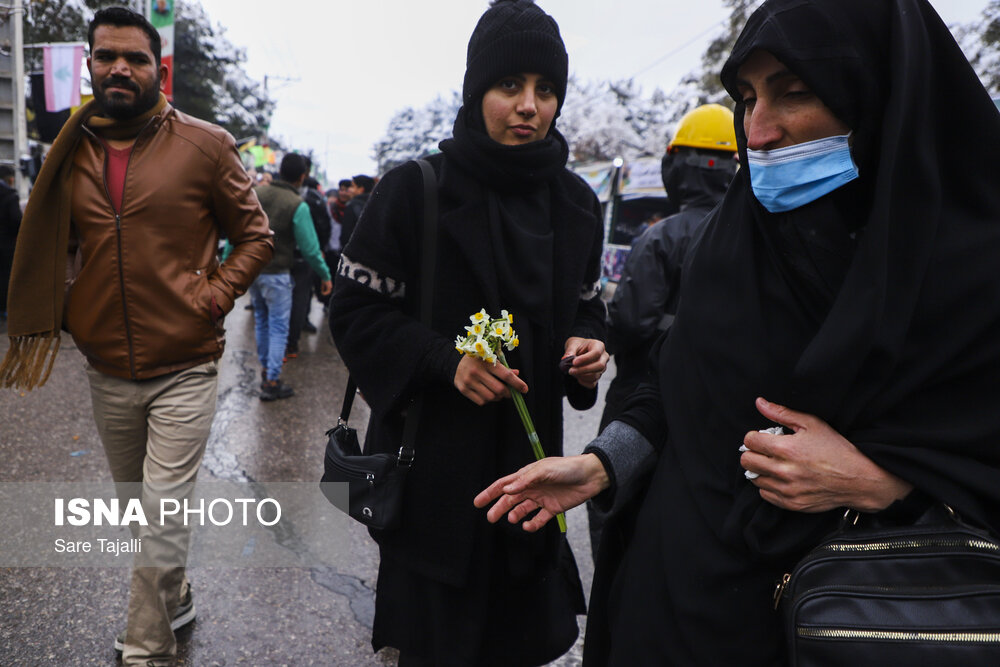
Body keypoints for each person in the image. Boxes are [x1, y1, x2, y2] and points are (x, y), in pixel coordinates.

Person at [475, 0, 1000, 664]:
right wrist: (605, 462)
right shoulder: (735, 248)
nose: (759, 129)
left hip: (876, 626)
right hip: (680, 616)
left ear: (881, 91)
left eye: (795, 92)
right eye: (748, 98)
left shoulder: (972, 276)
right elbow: (678, 388)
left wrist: (890, 485)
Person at [329, 1, 608, 664]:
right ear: (475, 90)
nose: (529, 106)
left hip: (532, 480)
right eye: (509, 85)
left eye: (546, 90)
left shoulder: (575, 205)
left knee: (517, 644)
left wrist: (587, 346)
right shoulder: (414, 191)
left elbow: (586, 305)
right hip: (434, 486)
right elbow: (354, 313)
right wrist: (441, 359)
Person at [0, 7, 273, 666]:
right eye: (106, 56)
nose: (119, 67)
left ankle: (145, 646)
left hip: (185, 364)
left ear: (159, 68)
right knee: (137, 511)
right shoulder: (74, 146)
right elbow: (59, 244)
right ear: (90, 65)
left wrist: (211, 296)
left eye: (136, 57)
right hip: (105, 368)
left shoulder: (207, 145)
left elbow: (257, 236)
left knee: (159, 517)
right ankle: (175, 593)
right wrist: (70, 304)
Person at [587, 104, 738, 555]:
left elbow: (631, 322)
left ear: (674, 167)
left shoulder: (659, 237)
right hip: (722, 407)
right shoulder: (752, 233)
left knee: (616, 507)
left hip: (639, 397)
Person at [248, 153, 332, 400]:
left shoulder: (256, 195)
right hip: (278, 274)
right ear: (302, 176)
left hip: (254, 271)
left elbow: (237, 231)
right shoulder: (297, 204)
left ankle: (266, 370)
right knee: (278, 327)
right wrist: (325, 275)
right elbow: (310, 249)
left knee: (262, 321)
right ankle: (272, 381)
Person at [285, 173, 333, 356]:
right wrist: (324, 272)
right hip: (303, 258)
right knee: (300, 299)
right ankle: (291, 344)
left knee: (274, 309)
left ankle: (277, 350)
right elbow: (314, 241)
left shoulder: (267, 195)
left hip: (275, 259)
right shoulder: (312, 201)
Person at [0, 164, 21, 320]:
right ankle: (4, 310)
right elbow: (16, 220)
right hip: (6, 244)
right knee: (6, 276)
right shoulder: (10, 195)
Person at [337, 173, 373, 250]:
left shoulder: (352, 206)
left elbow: (346, 236)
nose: (349, 189)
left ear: (361, 189)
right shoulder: (375, 204)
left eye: (352, 186)